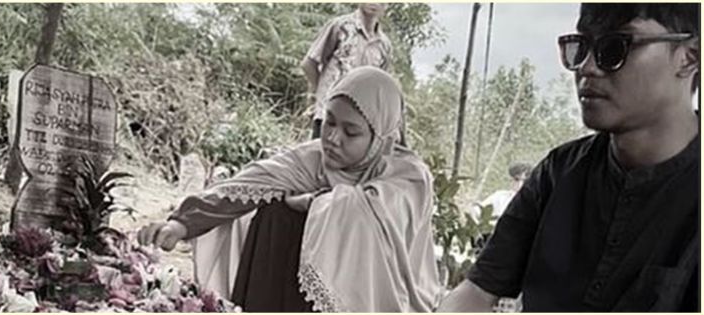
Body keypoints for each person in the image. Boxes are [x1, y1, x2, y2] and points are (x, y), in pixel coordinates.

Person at [437, 3, 699, 312]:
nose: (587, 67)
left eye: (616, 47)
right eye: (580, 47)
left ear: (688, 58)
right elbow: (478, 290)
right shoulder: (558, 172)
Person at [139, 67, 442, 312]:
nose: (333, 139)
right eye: (330, 122)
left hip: (372, 297)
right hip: (283, 296)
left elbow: (371, 215)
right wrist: (181, 223)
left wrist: (312, 205)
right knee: (275, 208)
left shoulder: (410, 177)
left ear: (381, 139)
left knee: (314, 213)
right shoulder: (315, 158)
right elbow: (249, 184)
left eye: (351, 132)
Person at [301, 3, 393, 139]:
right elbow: (309, 64)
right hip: (328, 118)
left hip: (355, 127)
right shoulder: (340, 27)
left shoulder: (384, 45)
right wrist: (322, 95)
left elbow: (377, 88)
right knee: (319, 159)